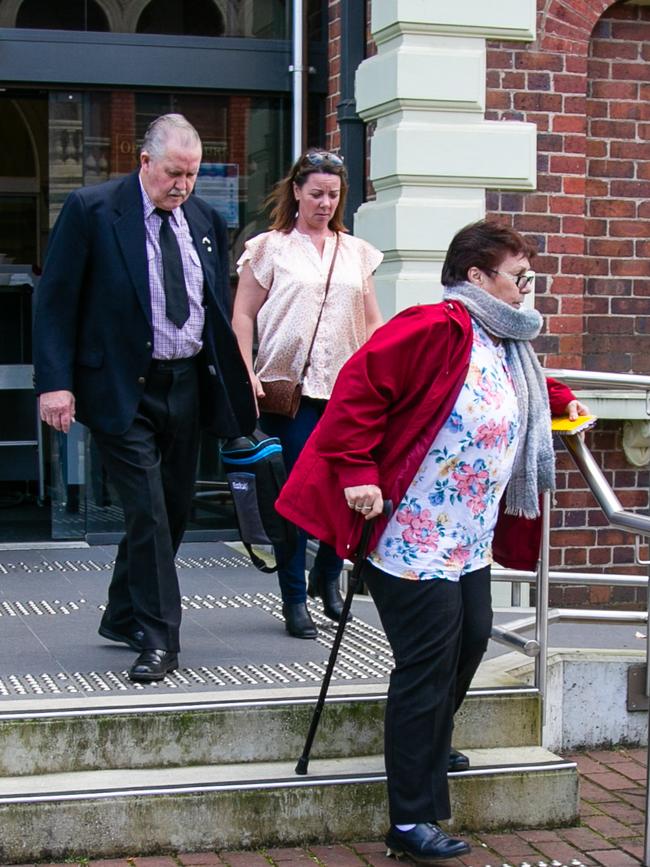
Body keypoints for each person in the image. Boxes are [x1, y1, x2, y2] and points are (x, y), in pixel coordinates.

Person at [276, 220, 588, 861]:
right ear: (476, 276)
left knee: (471, 639)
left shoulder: (504, 341)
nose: (526, 288)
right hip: (412, 534)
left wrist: (562, 403)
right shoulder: (434, 326)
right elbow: (358, 389)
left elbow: (520, 391)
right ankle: (410, 820)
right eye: (517, 276)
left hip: (467, 536)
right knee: (426, 665)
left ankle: (429, 739)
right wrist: (359, 472)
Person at [33, 114, 256, 683]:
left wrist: (237, 376)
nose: (182, 185)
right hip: (119, 387)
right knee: (150, 514)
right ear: (145, 162)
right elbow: (55, 301)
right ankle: (160, 639)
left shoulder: (205, 218)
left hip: (184, 385)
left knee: (172, 512)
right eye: (173, 173)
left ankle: (121, 612)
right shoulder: (93, 210)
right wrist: (55, 384)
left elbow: (211, 309)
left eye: (192, 175)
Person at [232, 148, 384, 639]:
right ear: (296, 190)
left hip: (345, 392)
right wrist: (245, 370)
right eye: (316, 193)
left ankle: (327, 579)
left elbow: (371, 319)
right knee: (296, 501)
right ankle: (295, 599)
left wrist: (384, 372)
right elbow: (242, 315)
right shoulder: (268, 248)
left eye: (333, 195)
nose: (324, 203)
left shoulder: (356, 252)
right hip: (288, 393)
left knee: (346, 496)